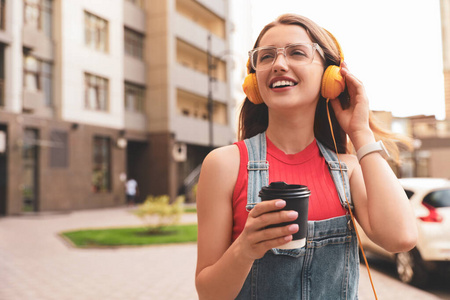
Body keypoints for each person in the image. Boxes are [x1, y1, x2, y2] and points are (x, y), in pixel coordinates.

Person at [195, 13, 418, 299]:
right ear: (254, 82)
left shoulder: (347, 168)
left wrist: (360, 132)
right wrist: (245, 248)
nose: (278, 64)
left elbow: (402, 238)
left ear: (331, 78)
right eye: (265, 57)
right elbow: (209, 294)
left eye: (297, 53)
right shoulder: (224, 164)